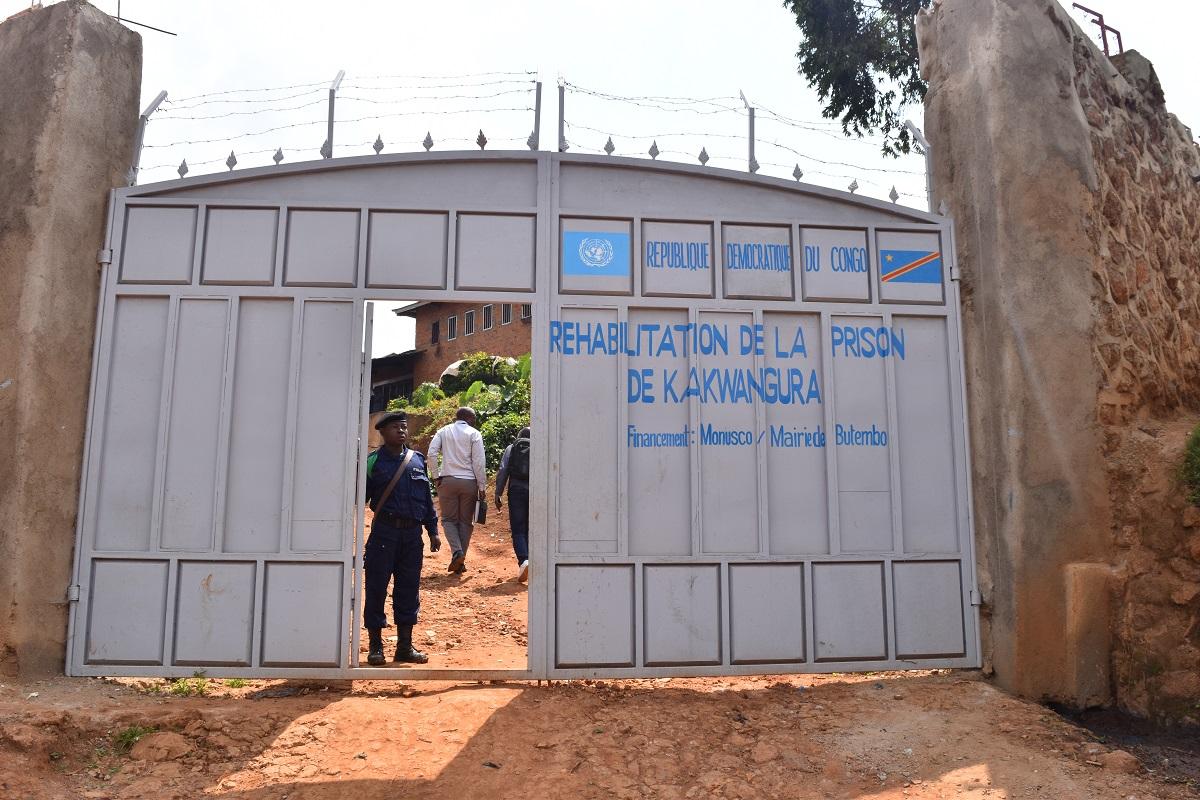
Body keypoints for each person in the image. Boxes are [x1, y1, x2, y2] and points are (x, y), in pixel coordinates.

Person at [363, 411, 440, 665]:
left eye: (404, 427)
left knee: (408, 589)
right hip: (384, 533)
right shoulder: (373, 462)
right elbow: (359, 498)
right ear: (382, 432)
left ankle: (405, 647)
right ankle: (375, 646)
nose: (401, 431)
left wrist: (433, 530)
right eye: (395, 427)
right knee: (376, 587)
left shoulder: (417, 460)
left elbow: (427, 499)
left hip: (412, 536)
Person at [427, 406, 486, 574]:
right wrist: (481, 486)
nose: (474, 422)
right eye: (474, 419)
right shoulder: (474, 434)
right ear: (469, 418)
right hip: (469, 483)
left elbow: (431, 454)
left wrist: (436, 476)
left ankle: (457, 553)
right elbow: (479, 462)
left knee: (448, 520)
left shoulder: (443, 431)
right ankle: (460, 558)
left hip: (448, 481)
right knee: (466, 522)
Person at [495, 426, 531, 583]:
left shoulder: (512, 448)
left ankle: (524, 560)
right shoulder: (541, 447)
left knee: (518, 529)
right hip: (537, 492)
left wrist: (498, 492)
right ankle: (534, 561)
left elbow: (503, 470)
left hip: (516, 490)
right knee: (533, 528)